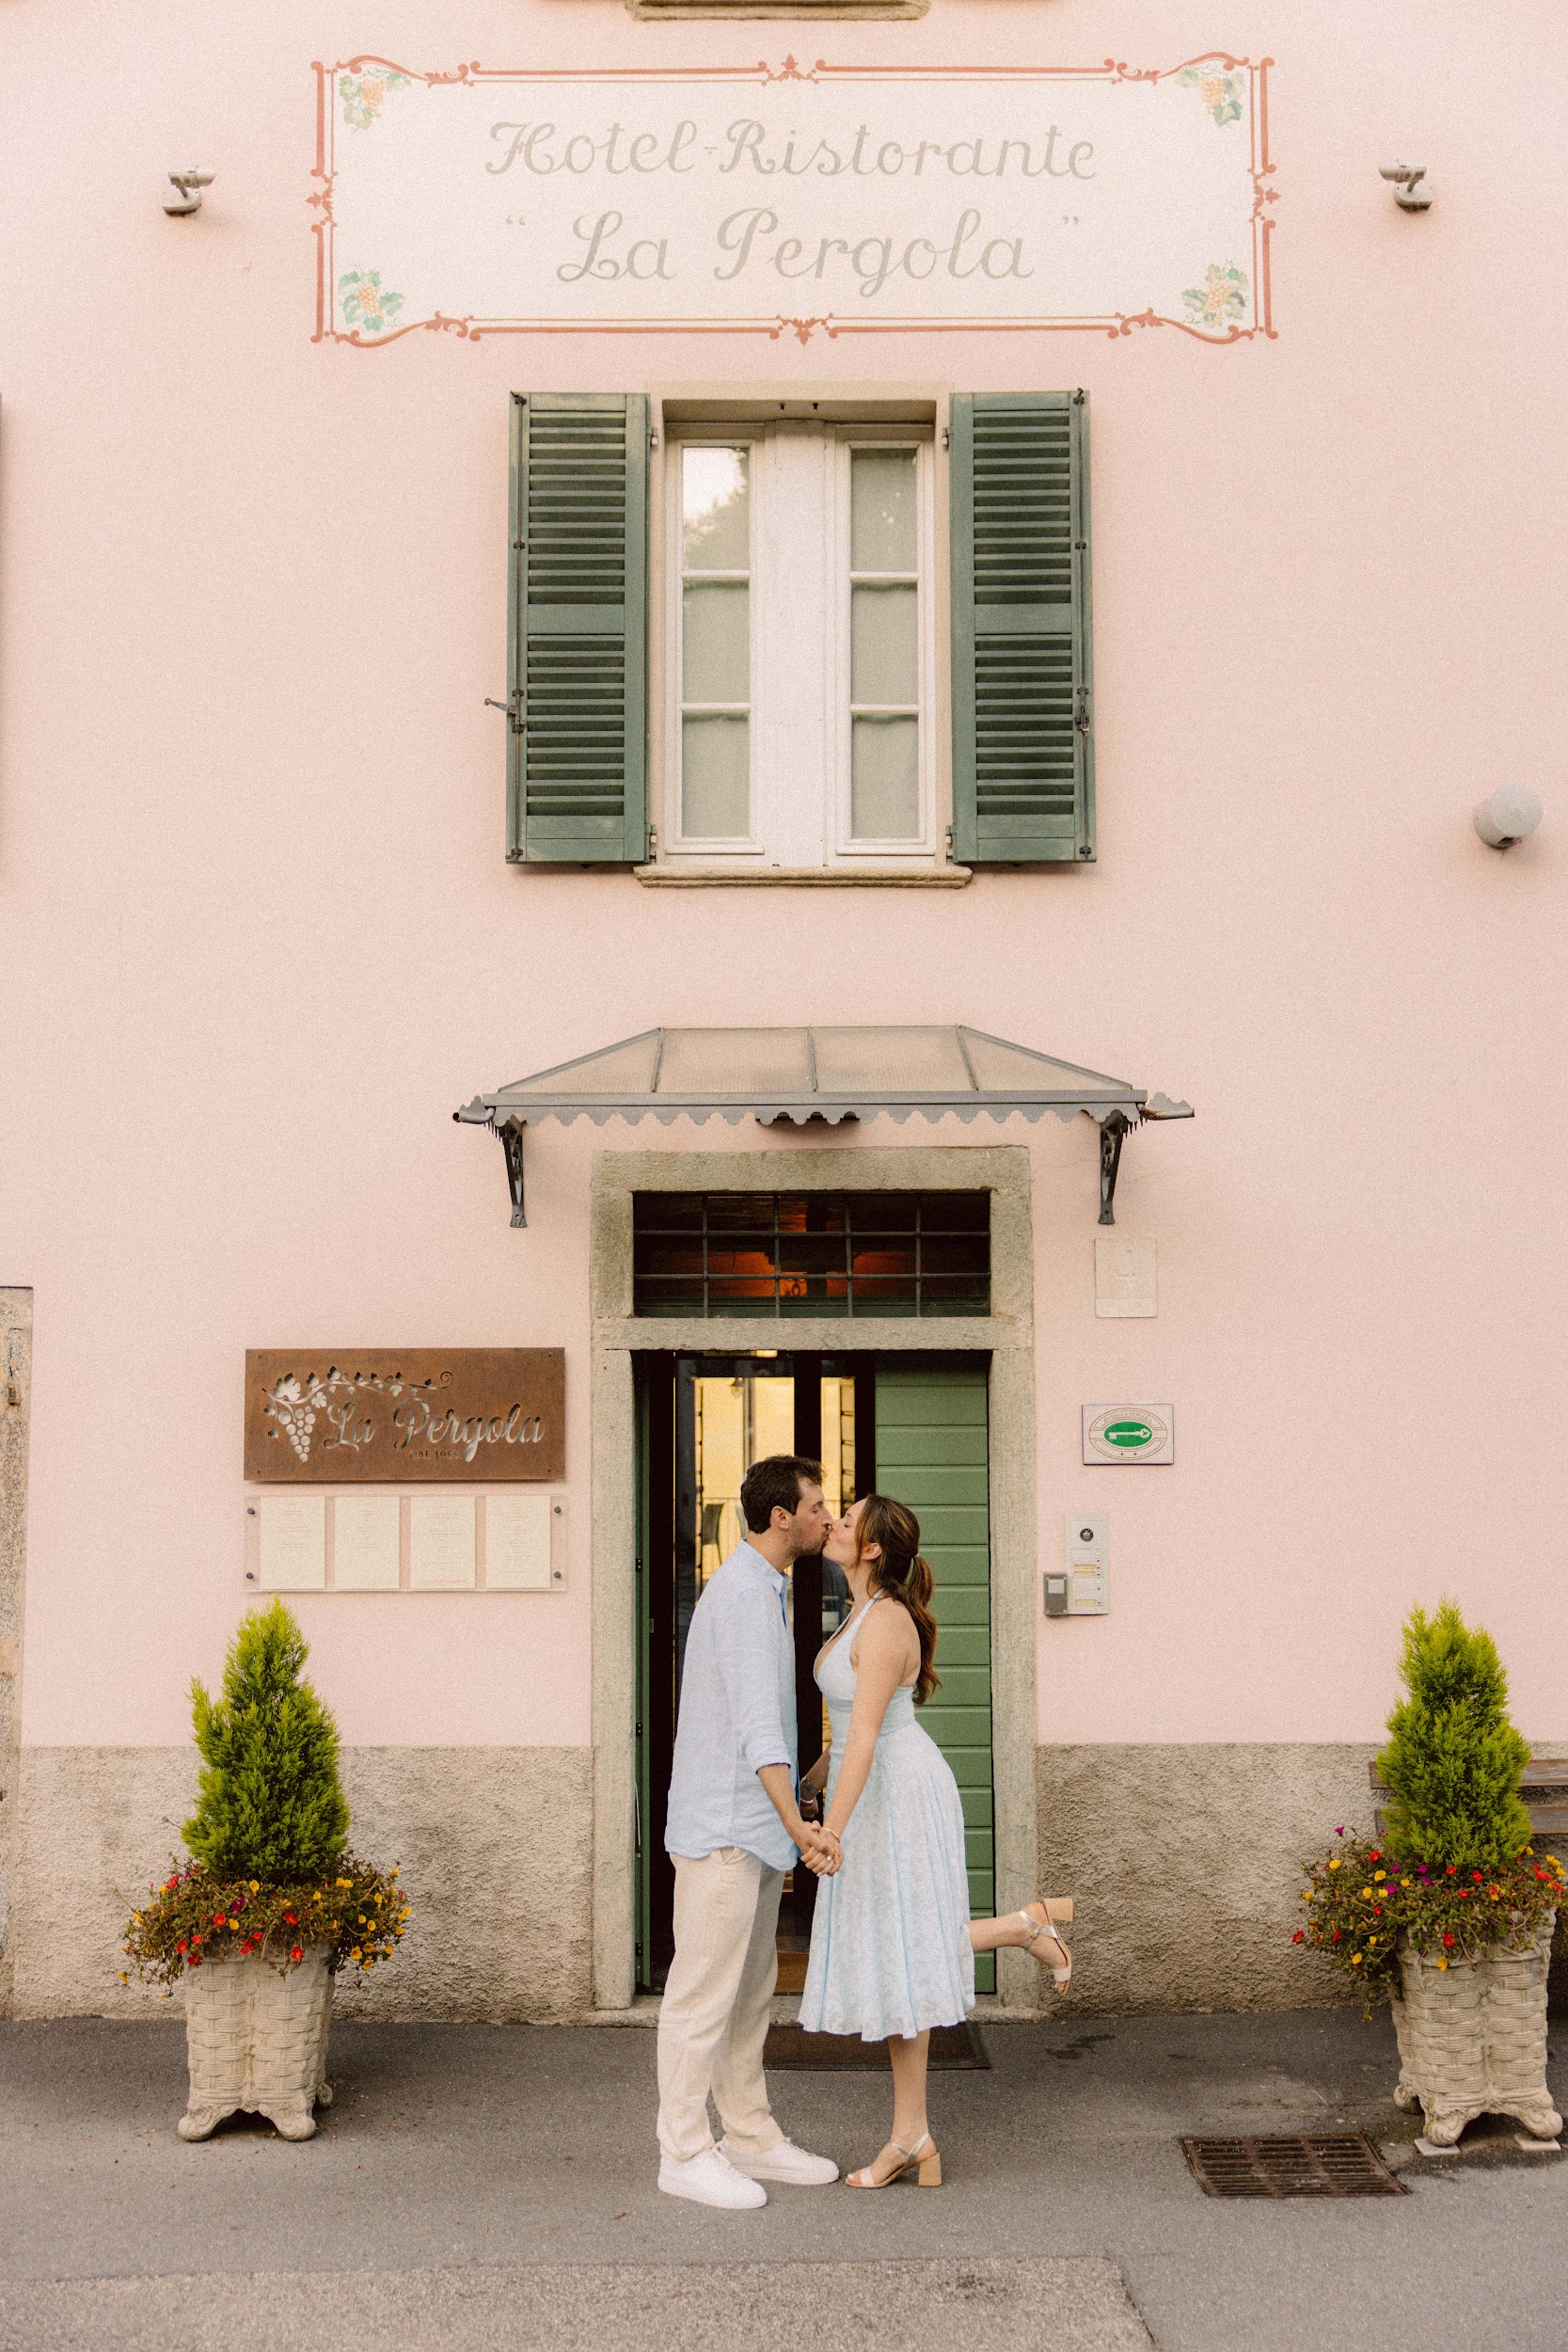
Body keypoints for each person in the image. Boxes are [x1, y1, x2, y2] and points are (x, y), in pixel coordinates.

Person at [798, 1493, 1075, 2189]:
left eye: (847, 1519)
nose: (832, 1522)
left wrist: (832, 1829)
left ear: (871, 1548)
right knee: (901, 1951)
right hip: (869, 1784)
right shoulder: (861, 1611)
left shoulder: (887, 1620)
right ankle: (913, 2133)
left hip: (898, 1792)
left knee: (905, 1949)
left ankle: (911, 2135)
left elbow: (868, 1733)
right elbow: (851, 1725)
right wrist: (813, 1779)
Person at [656, 1453, 843, 2210]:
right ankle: (682, 2153)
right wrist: (801, 1826)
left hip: (754, 1828)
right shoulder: (739, 1594)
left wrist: (794, 1808)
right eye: (817, 1506)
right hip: (725, 1832)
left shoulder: (765, 1588)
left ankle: (750, 2136)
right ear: (780, 1517)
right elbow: (758, 1727)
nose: (827, 1517)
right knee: (701, 1998)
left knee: (747, 1998)